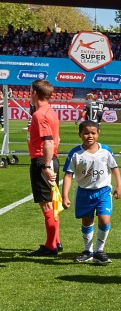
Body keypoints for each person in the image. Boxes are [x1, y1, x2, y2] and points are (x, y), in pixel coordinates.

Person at [61, 120, 121, 264]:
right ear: (80, 135)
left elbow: (114, 168)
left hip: (103, 191)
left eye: (93, 133)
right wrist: (64, 196)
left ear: (98, 134)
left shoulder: (106, 150)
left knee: (104, 219)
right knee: (87, 221)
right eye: (86, 133)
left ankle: (99, 250)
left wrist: (119, 185)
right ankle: (88, 251)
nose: (90, 136)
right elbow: (68, 175)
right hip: (84, 192)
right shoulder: (75, 153)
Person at [26, 79, 63, 256]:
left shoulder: (39, 115)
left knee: (46, 205)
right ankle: (56, 241)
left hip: (43, 160)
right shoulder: (51, 112)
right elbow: (57, 140)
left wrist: (46, 166)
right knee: (53, 202)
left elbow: (48, 141)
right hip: (51, 158)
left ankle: (51, 246)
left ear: (34, 93)